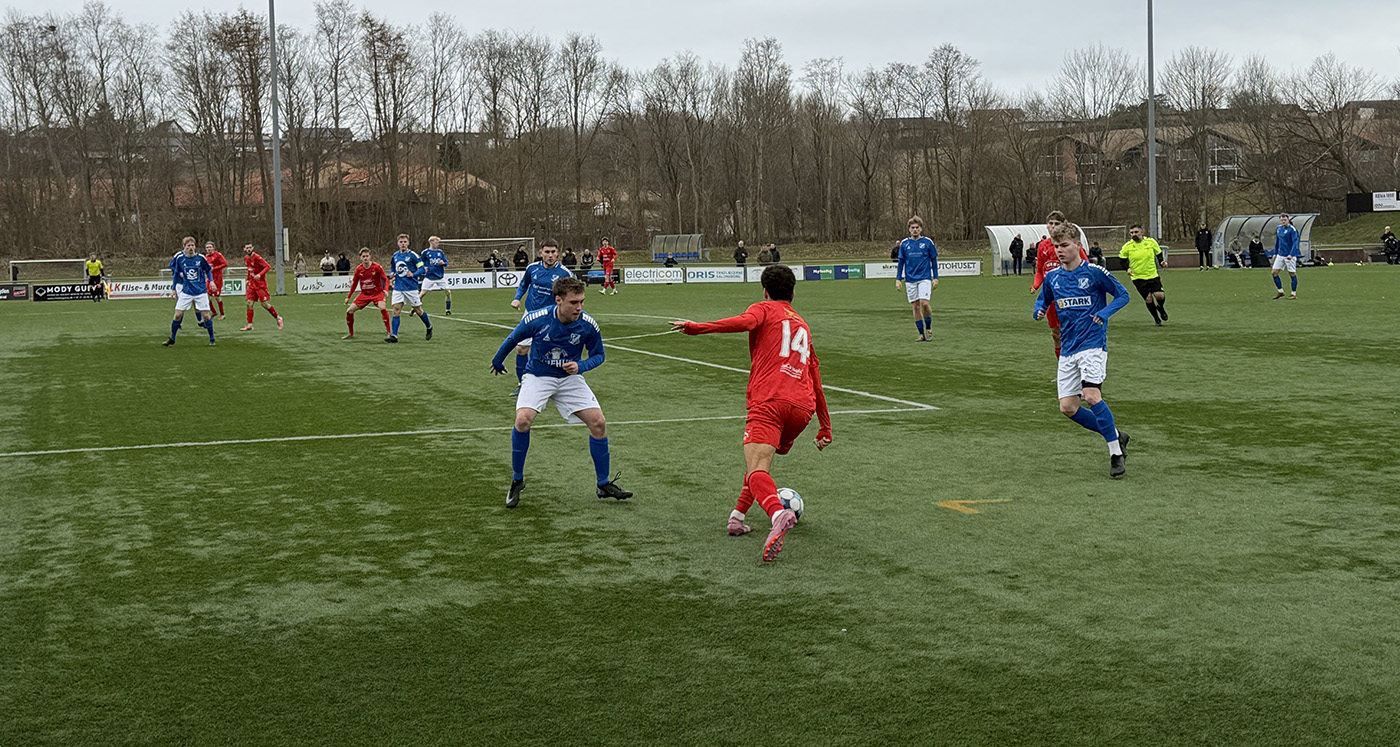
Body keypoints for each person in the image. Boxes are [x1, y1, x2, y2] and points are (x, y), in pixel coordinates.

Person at [668, 265, 833, 562]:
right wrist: (825, 427)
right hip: (802, 410)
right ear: (793, 293)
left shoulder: (763, 309)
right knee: (759, 461)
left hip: (770, 401)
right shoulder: (803, 326)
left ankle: (777, 514)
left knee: (757, 467)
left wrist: (697, 327)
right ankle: (737, 517)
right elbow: (816, 378)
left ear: (765, 291)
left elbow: (745, 322)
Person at [491, 276, 632, 508]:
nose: (579, 307)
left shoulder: (588, 324)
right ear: (558, 300)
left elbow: (599, 355)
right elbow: (513, 338)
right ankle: (517, 480)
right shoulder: (537, 318)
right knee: (523, 420)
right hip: (538, 376)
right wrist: (497, 361)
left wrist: (581, 366)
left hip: (569, 379)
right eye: (574, 302)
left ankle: (603, 484)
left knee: (598, 423)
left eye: (582, 302)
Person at [1032, 221, 1132, 478]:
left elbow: (1123, 295)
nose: (1059, 251)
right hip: (1068, 348)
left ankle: (1115, 454)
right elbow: (1043, 299)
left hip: (1093, 345)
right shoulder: (1053, 277)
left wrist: (1104, 313)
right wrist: (1039, 310)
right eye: (1056, 246)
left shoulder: (1095, 272)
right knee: (1067, 408)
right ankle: (1116, 435)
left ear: (1078, 245)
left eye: (1064, 245)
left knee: (1091, 395)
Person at [510, 240, 574, 393]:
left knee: (551, 352)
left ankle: (557, 384)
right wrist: (517, 298)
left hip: (552, 318)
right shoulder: (532, 268)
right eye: (547, 252)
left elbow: (571, 295)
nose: (550, 255)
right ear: (541, 253)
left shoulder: (564, 273)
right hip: (531, 315)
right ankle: (522, 384)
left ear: (558, 253)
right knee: (521, 348)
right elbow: (524, 285)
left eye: (553, 252)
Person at [1032, 212, 1089, 357]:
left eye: (1057, 224)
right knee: (1056, 333)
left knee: (1073, 331)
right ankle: (1062, 366)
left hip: (1070, 293)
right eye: (1050, 223)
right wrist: (1036, 285)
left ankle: (1080, 361)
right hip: (1052, 295)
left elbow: (1086, 265)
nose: (1053, 226)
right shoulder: (1042, 246)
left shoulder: (1071, 245)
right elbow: (1040, 270)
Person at [162, 237, 217, 347]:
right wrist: (173, 288)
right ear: (184, 247)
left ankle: (212, 338)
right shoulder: (180, 258)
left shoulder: (201, 258)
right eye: (188, 246)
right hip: (186, 292)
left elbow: (208, 270)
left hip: (200, 291)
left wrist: (211, 281)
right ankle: (172, 338)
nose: (191, 248)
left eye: (192, 245)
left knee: (206, 316)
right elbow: (176, 273)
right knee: (177, 315)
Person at [896, 215, 939, 342]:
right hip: (910, 279)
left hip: (924, 277)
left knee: (924, 303)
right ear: (909, 229)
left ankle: (929, 328)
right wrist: (898, 279)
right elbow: (901, 262)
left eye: (917, 227)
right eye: (913, 228)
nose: (915, 230)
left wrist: (935, 277)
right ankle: (921, 334)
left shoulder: (927, 242)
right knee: (915, 306)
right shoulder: (904, 244)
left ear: (921, 229)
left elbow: (934, 260)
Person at [387, 233, 433, 343]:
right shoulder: (395, 255)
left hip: (411, 287)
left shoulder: (413, 255)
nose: (403, 244)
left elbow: (422, 268)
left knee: (417, 310)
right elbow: (392, 267)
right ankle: (394, 336)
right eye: (401, 242)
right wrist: (392, 273)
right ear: (398, 243)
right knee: (396, 310)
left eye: (405, 242)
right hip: (398, 287)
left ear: (408, 243)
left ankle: (429, 327)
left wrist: (414, 274)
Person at [1119, 225, 1168, 325]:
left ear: (1142, 232)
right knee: (1148, 299)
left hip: (1152, 275)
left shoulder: (1151, 242)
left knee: (1160, 295)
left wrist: (1162, 262)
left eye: (1136, 232)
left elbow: (1158, 253)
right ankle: (1156, 319)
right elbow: (1122, 260)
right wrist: (1127, 268)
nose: (1134, 234)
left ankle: (1160, 308)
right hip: (1138, 277)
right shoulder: (1127, 246)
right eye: (1132, 233)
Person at [343, 247, 391, 339]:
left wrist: (386, 290)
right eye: (363, 256)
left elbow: (385, 279)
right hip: (365, 294)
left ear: (370, 257)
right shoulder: (359, 269)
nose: (365, 258)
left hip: (377, 293)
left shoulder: (377, 267)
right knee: (349, 311)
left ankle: (389, 333)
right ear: (360, 258)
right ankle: (351, 334)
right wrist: (348, 297)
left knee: (382, 307)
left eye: (367, 256)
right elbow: (354, 284)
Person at [240, 243, 283, 331]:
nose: (248, 249)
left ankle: (278, 318)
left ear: (252, 248)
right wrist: (248, 279)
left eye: (250, 247)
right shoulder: (246, 258)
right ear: (244, 249)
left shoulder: (257, 257)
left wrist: (260, 274)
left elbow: (268, 266)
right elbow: (249, 270)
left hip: (260, 285)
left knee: (264, 304)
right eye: (247, 248)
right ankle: (249, 325)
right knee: (249, 303)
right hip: (252, 284)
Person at [1270, 213, 1301, 299]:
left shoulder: (1292, 229)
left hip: (1289, 255)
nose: (1283, 221)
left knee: (1292, 273)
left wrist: (1291, 254)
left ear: (1288, 220)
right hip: (1280, 254)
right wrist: (1275, 253)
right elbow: (1278, 242)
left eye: (1285, 220)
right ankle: (1280, 291)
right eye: (1282, 220)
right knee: (1274, 272)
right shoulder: (1279, 228)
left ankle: (1293, 293)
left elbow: (1295, 242)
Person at [420, 235, 452, 315]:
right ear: (431, 242)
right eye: (436, 242)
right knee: (422, 294)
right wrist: (424, 267)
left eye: (438, 242)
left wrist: (443, 263)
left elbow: (446, 263)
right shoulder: (425, 252)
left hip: (439, 277)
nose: (438, 244)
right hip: (429, 277)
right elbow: (419, 263)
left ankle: (448, 310)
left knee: (448, 292)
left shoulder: (440, 252)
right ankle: (415, 308)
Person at [204, 241, 228, 319]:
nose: (209, 249)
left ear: (213, 248)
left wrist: (214, 268)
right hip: (210, 279)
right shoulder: (206, 257)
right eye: (207, 247)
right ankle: (214, 312)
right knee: (207, 296)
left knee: (217, 296)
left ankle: (222, 314)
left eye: (210, 247)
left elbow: (225, 264)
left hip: (217, 279)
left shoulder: (218, 255)